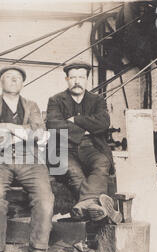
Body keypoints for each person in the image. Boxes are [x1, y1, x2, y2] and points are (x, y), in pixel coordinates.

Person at [0, 66, 54, 252]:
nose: (13, 80)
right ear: (0, 82)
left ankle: (38, 247)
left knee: (45, 198)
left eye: (18, 78)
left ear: (23, 83)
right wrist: (26, 133)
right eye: (8, 77)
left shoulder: (32, 105)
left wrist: (9, 127)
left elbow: (41, 135)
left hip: (30, 159)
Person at [46, 60, 120, 223]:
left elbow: (103, 123)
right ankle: (93, 205)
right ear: (67, 80)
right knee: (74, 172)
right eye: (73, 78)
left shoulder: (97, 100)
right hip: (63, 148)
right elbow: (53, 124)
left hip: (91, 147)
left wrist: (75, 120)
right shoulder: (56, 100)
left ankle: (84, 206)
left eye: (81, 77)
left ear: (87, 79)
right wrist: (86, 128)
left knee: (102, 162)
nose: (77, 81)